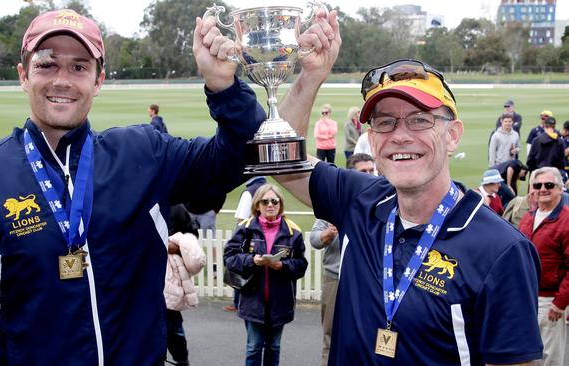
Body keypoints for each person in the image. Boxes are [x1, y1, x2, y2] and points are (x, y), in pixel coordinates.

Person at [0, 10, 266, 364]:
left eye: (79, 67)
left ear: (98, 80)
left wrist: (224, 88)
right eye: (46, 65)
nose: (62, 80)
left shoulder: (144, 154)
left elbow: (246, 155)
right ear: (24, 75)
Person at [274, 12, 542, 363]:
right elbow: (281, 160)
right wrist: (310, 77)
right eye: (385, 122)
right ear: (372, 139)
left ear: (452, 135)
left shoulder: (502, 250)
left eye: (420, 119)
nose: (400, 135)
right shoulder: (361, 200)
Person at [224, 183, 307, 366]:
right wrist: (251, 261)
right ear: (257, 205)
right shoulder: (245, 228)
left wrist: (282, 266)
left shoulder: (293, 231)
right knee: (253, 347)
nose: (270, 205)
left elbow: (301, 265)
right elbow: (229, 258)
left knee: (274, 347)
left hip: (280, 301)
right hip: (253, 299)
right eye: (265, 201)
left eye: (274, 201)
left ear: (280, 204)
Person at [310, 152, 375, 366]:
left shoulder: (383, 201)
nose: (369, 175)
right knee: (332, 336)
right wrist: (328, 235)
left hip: (370, 283)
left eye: (371, 170)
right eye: (363, 172)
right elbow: (315, 239)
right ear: (351, 175)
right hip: (337, 279)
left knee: (370, 338)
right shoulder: (336, 203)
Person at [518, 167, 569, 366]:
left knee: (552, 358)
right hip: (527, 299)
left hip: (551, 301)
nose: (543, 189)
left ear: (560, 188)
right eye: (537, 185)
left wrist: (560, 302)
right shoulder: (529, 217)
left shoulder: (566, 220)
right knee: (531, 357)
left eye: (549, 185)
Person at [165, 204, 205, 366]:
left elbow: (191, 238)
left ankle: (182, 359)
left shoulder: (176, 208)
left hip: (170, 274)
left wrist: (177, 246)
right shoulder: (140, 202)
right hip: (145, 272)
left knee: (172, 323)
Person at [225, 176, 268, 312]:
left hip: (248, 237)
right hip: (266, 236)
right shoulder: (267, 190)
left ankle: (238, 303)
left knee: (241, 269)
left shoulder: (249, 192)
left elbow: (241, 220)